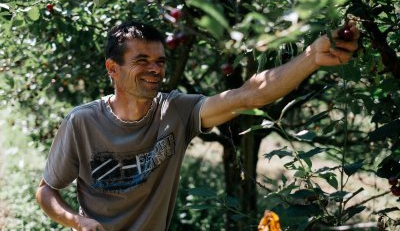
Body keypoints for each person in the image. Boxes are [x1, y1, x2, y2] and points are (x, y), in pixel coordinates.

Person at [36, 21, 359, 231]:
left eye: (160, 61)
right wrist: (77, 221)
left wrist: (311, 58)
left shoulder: (175, 110)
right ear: (113, 68)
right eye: (142, 61)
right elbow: (47, 189)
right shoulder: (82, 121)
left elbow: (248, 96)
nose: (155, 69)